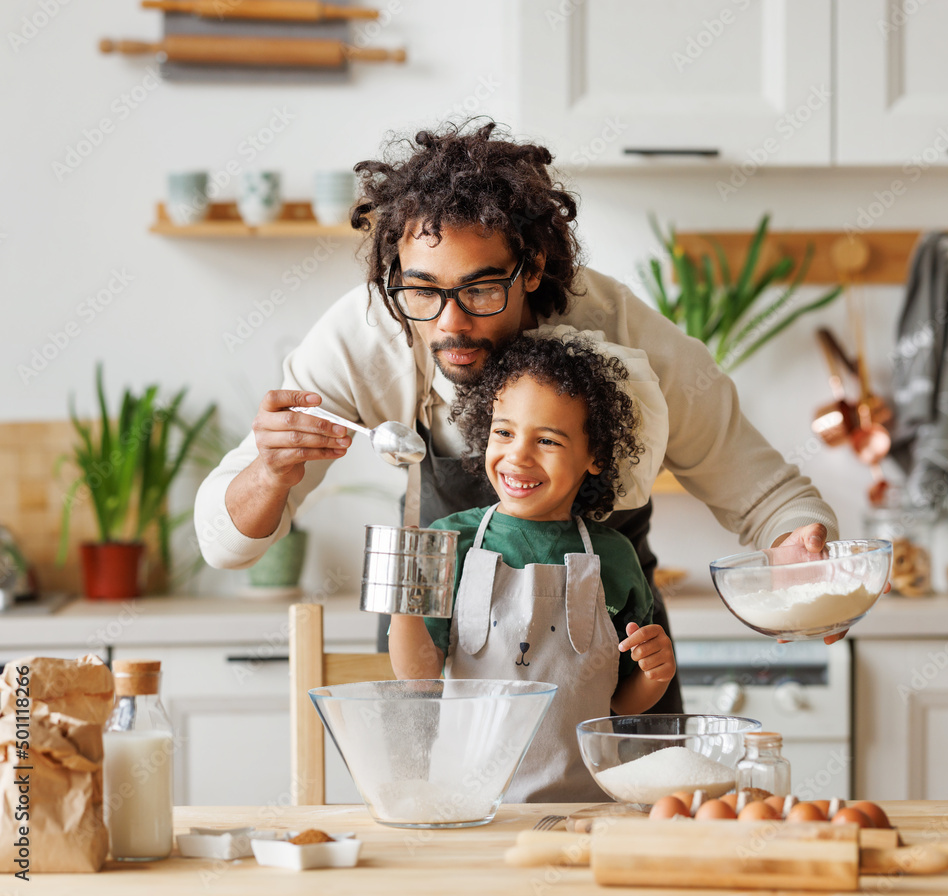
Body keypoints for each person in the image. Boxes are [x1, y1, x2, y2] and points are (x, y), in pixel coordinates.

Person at [194, 119, 841, 717]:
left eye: (479, 289)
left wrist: (802, 562)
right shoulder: (365, 335)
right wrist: (271, 474)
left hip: (614, 660)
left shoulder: (621, 331)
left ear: (531, 267)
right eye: (421, 289)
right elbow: (225, 542)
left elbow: (771, 499)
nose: (449, 323)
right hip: (443, 655)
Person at [389, 332, 676, 802]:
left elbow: (622, 702)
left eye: (546, 439)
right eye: (504, 432)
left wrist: (655, 673)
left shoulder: (616, 557)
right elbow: (419, 678)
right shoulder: (450, 541)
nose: (518, 455)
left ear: (595, 457)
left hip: (584, 808)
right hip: (466, 809)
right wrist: (404, 600)